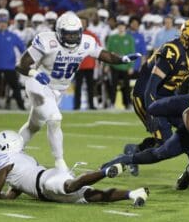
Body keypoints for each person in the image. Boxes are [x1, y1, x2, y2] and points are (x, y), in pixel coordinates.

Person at [15, 11, 141, 171]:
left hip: (57, 89)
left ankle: (13, 150)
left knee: (34, 125)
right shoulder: (47, 41)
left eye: (75, 35)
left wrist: (122, 59)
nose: (72, 38)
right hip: (38, 84)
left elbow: (104, 55)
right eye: (68, 35)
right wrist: (35, 74)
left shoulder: (86, 42)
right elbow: (21, 65)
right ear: (59, 32)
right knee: (54, 119)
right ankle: (60, 163)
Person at [124, 19, 189, 175]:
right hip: (146, 96)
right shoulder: (172, 52)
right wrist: (151, 112)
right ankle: (132, 154)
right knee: (164, 144)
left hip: (168, 96)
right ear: (185, 38)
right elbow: (151, 87)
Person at [0, 130, 148, 206]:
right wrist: (0, 195)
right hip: (48, 190)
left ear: (8, 145)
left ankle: (106, 171)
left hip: (45, 182)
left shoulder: (6, 159)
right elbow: (14, 191)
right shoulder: (20, 161)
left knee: (70, 186)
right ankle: (133, 194)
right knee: (92, 196)